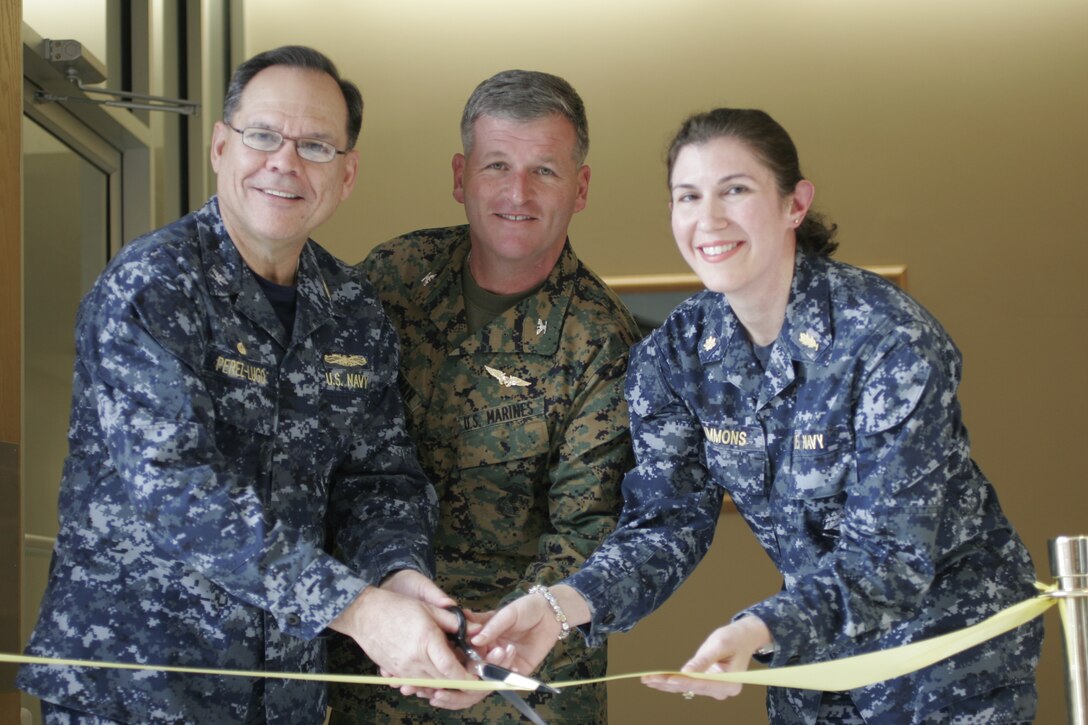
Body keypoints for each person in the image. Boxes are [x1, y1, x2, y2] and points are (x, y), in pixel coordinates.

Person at [473, 108, 1044, 724]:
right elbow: (665, 525)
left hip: (948, 654)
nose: (708, 220)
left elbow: (891, 557)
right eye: (687, 197)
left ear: (795, 205)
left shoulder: (887, 340)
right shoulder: (675, 355)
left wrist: (757, 629)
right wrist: (561, 605)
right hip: (810, 652)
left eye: (735, 191)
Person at [16, 45, 472, 724]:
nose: (285, 162)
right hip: (135, 690)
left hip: (279, 693)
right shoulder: (152, 287)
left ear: (347, 175)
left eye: (316, 145)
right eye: (263, 136)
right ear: (221, 147)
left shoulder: (353, 311)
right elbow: (176, 491)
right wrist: (359, 608)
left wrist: (400, 575)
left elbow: (379, 479)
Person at [328, 70, 640, 724]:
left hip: (523, 679)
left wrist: (491, 653)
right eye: (496, 165)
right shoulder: (391, 279)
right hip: (379, 671)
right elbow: (327, 454)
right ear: (460, 176)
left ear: (580, 188)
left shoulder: (599, 339)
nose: (517, 192)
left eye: (544, 171)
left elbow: (587, 534)